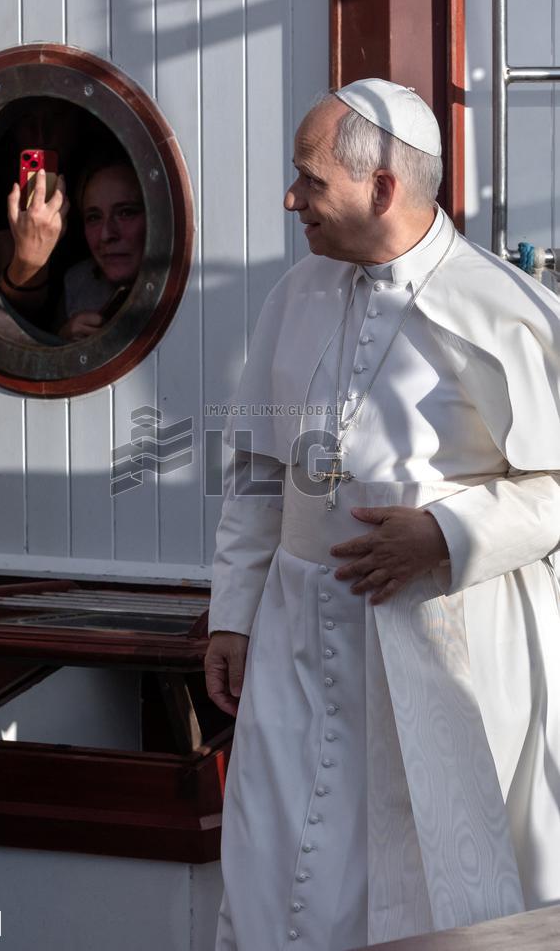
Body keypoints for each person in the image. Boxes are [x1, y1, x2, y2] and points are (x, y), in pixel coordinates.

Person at [205, 78, 560, 950]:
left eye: (310, 181)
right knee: (282, 869)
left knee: (435, 883)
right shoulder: (296, 293)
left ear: (384, 188)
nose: (293, 200)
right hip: (295, 648)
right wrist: (231, 618)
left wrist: (447, 534)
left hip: (444, 644)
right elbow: (257, 472)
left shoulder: (504, 308)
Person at [0, 153, 146, 340]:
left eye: (126, 213)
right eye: (93, 217)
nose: (106, 235)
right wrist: (63, 340)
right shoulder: (77, 282)